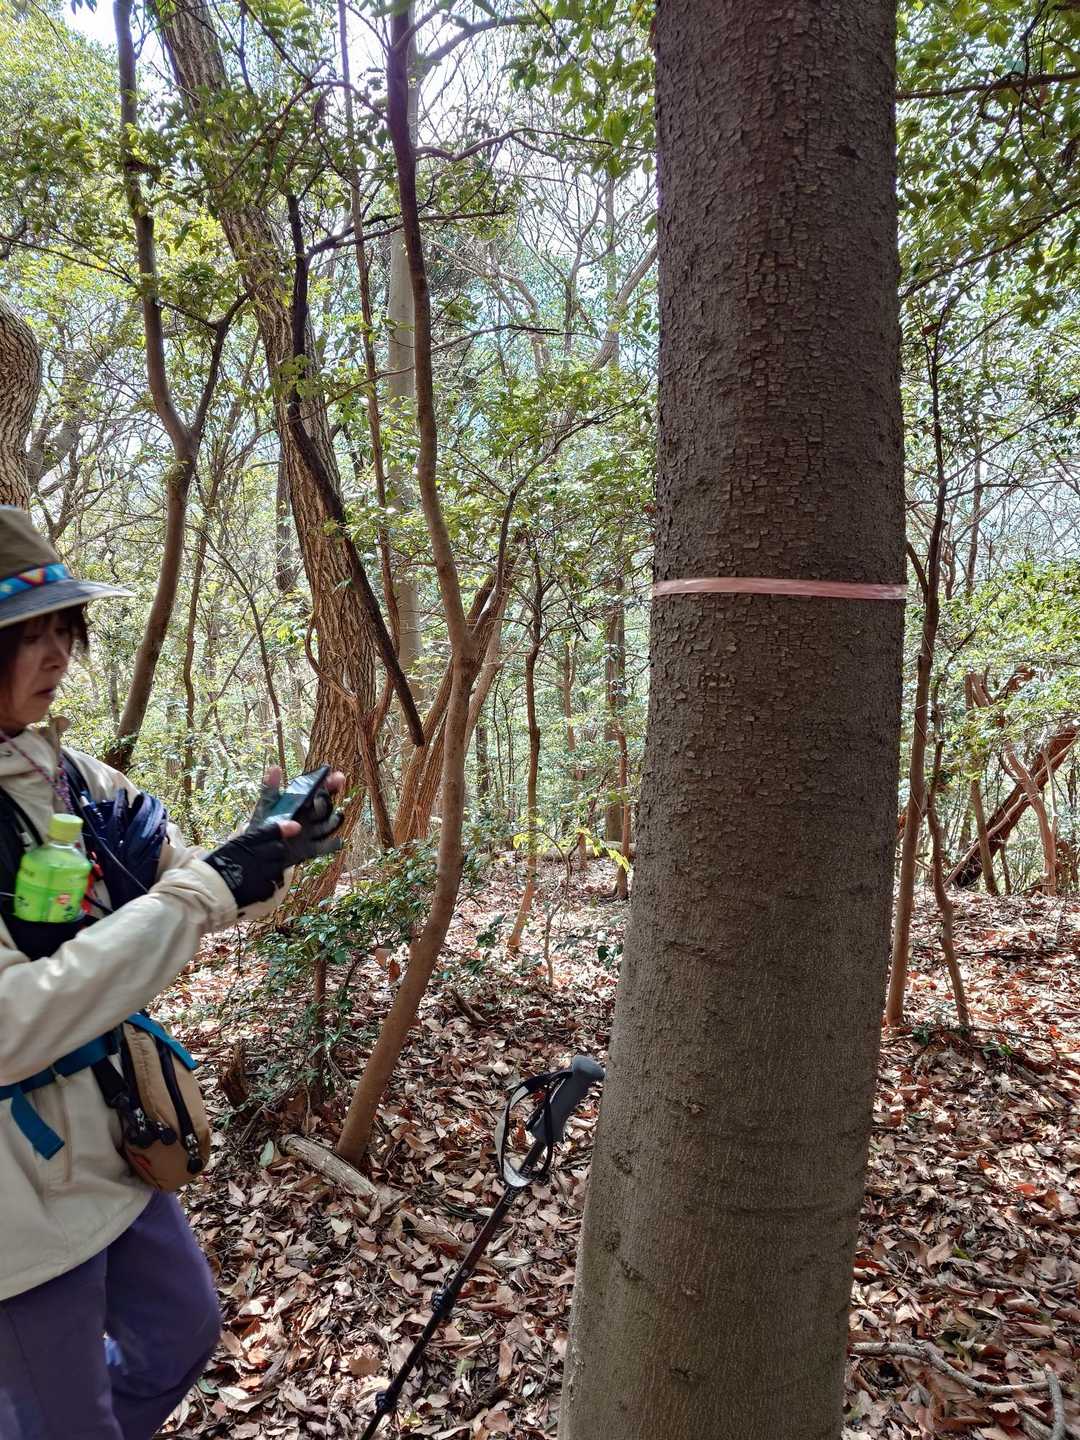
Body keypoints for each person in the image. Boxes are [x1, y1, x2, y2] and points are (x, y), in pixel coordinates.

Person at [0, 506, 344, 1439]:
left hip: (113, 1145)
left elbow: (185, 877)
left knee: (179, 1336)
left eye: (63, 629)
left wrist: (267, 853)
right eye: (27, 636)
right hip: (17, 1204)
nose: (57, 655)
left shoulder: (66, 776)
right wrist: (209, 890)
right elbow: (11, 1024)